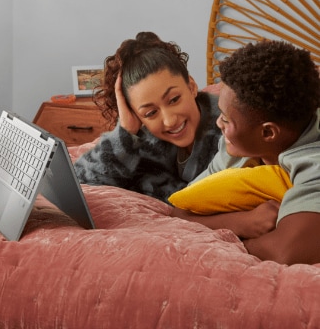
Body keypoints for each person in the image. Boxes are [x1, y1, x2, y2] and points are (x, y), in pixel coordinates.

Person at [171, 39, 320, 265]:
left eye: (227, 119)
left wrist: (240, 243)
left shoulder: (314, 162)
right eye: (220, 114)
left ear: (268, 133)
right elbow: (181, 211)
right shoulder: (234, 147)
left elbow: (287, 251)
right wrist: (242, 222)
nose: (219, 123)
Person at [73, 32, 221, 202]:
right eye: (151, 113)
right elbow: (82, 183)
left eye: (174, 99)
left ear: (192, 86)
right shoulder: (145, 140)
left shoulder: (231, 129)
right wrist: (125, 131)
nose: (169, 120)